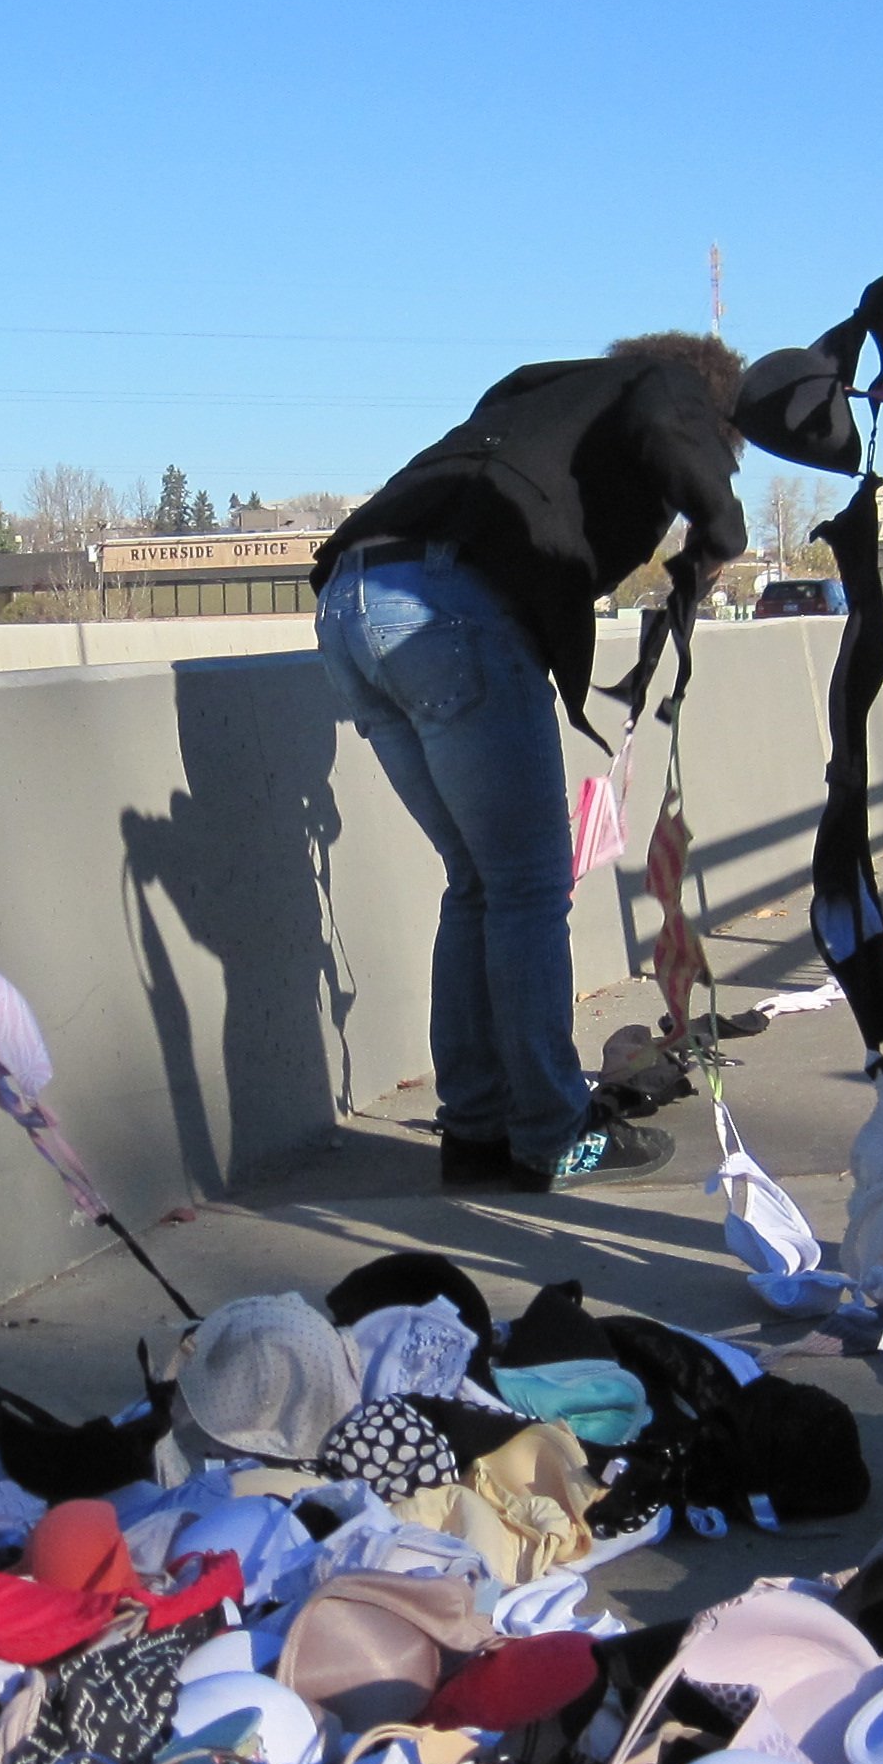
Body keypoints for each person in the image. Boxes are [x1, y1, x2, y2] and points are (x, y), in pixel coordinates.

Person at [311, 335, 749, 1194]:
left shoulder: (539, 391)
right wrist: (719, 525)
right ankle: (553, 1132)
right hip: (448, 607)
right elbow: (668, 418)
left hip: (350, 607)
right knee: (526, 887)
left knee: (477, 881)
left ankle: (476, 1132)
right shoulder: (663, 386)